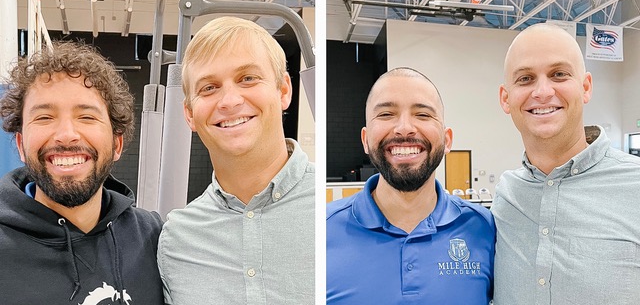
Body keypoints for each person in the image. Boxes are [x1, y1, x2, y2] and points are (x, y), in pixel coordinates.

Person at [157, 16, 315, 304]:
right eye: (209, 87)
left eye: (247, 78)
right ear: (190, 114)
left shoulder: (334, 215)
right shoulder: (177, 240)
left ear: (283, 90)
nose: (229, 101)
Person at [0, 42, 164, 304]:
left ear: (117, 144)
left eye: (87, 117)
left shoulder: (154, 239)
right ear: (20, 145)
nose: (66, 135)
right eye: (44, 117)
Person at [493, 23, 640, 304]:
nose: (543, 91)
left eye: (558, 74)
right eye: (525, 79)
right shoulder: (506, 195)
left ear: (585, 87)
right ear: (505, 98)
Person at [326, 67, 495, 304]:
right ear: (365, 140)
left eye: (423, 115)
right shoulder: (322, 230)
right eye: (386, 114)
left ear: (447, 140)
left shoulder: (483, 228)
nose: (404, 128)